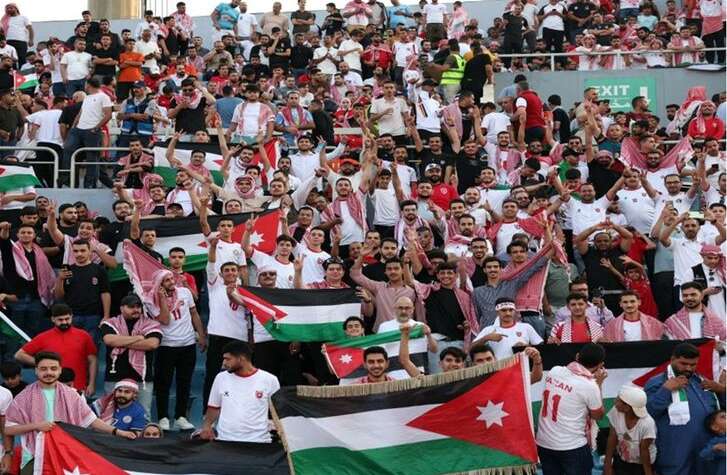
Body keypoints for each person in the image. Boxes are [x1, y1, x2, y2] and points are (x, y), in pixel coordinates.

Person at [5, 352, 135, 472]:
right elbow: (8, 429)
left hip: (66, 456)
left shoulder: (71, 395)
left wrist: (118, 432)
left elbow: (91, 420)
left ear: (60, 370)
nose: (49, 372)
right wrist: (36, 426)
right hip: (34, 456)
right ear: (36, 370)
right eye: (43, 369)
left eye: (53, 368)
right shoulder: (23, 397)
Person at [645, 343, 724, 475]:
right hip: (675, 451)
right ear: (672, 359)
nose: (688, 368)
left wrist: (721, 391)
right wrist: (666, 390)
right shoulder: (657, 382)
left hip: (704, 450)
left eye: (693, 365)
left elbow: (718, 411)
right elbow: (648, 412)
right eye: (683, 363)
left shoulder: (701, 381)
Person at [535, 343, 608, 475]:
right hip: (572, 446)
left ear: (577, 356)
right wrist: (599, 384)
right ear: (600, 365)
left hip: (544, 443)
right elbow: (598, 415)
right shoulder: (590, 385)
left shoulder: (555, 371)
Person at [147, 270, 205, 432]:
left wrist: (201, 335)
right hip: (166, 345)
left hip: (188, 344)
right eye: (167, 280)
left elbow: (194, 313)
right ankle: (163, 417)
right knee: (163, 383)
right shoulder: (151, 300)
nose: (172, 282)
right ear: (159, 284)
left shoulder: (185, 292)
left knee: (184, 382)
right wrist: (163, 299)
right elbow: (165, 320)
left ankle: (181, 417)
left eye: (172, 278)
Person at [201, 341, 280, 442]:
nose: (224, 363)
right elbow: (213, 408)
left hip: (259, 442)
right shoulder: (220, 378)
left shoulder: (270, 380)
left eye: (228, 359)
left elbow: (278, 412)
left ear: (241, 359)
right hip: (224, 441)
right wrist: (206, 427)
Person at [15, 303, 97, 397]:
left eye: (67, 319)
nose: (64, 322)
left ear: (72, 317)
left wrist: (92, 384)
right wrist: (43, 364)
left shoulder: (84, 336)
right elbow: (19, 355)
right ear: (53, 319)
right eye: (60, 320)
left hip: (78, 387)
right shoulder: (43, 337)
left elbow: (93, 360)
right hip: (51, 389)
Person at [100, 294, 162, 415]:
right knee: (110, 413)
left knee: (144, 414)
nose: (136, 310)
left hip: (142, 378)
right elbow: (109, 340)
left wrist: (121, 342)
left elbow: (152, 344)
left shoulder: (151, 324)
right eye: (131, 307)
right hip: (115, 376)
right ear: (122, 308)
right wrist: (138, 338)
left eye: (138, 307)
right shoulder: (109, 323)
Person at [603, 385, 657, 475]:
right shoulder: (616, 411)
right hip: (622, 460)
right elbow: (612, 437)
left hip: (642, 465)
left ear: (627, 408)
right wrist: (607, 464)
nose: (614, 401)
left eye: (618, 400)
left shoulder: (647, 424)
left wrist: (648, 473)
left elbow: (644, 451)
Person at [472, 297, 543, 359]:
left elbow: (541, 348)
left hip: (522, 366)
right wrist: (486, 338)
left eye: (511, 310)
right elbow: (471, 348)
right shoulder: (488, 330)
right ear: (497, 312)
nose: (508, 313)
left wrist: (526, 347)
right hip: (499, 367)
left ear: (514, 311)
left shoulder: (526, 327)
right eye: (503, 310)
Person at [699, 410, 726, 474]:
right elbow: (703, 455)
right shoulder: (716, 441)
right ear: (715, 427)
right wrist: (716, 447)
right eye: (723, 417)